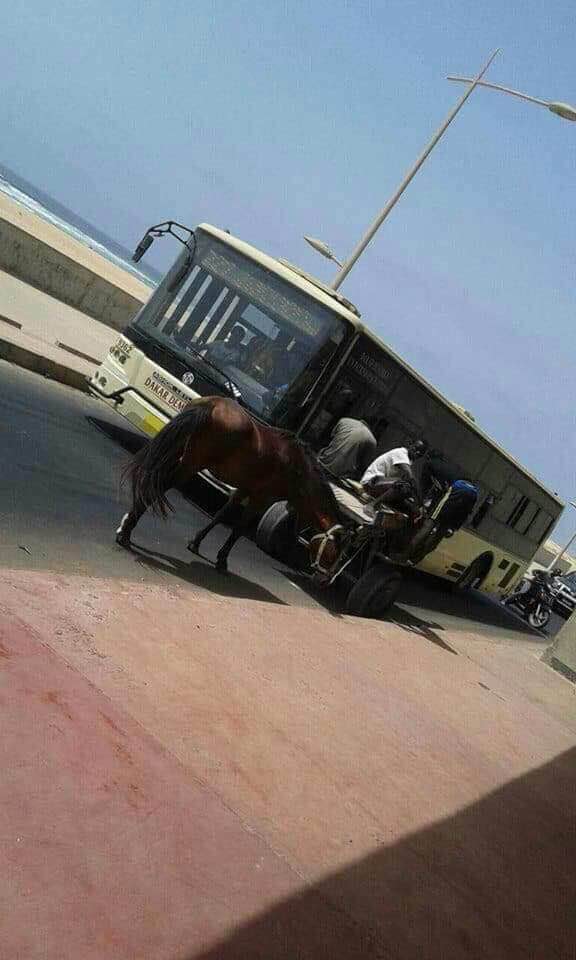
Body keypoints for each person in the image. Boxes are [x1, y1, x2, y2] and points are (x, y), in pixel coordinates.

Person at [318, 390, 378, 480]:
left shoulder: (344, 420)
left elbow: (331, 439)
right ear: (374, 426)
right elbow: (363, 465)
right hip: (339, 476)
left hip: (322, 462)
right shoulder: (372, 440)